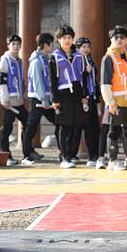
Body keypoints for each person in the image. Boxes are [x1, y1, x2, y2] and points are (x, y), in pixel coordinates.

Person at [50, 25, 87, 169]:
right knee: (64, 127)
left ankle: (72, 154)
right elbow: (53, 80)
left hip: (77, 94)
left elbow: (83, 77)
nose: (67, 40)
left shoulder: (79, 56)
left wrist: (84, 96)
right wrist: (55, 99)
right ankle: (64, 156)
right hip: (63, 95)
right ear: (59, 40)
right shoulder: (55, 57)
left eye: (70, 38)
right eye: (64, 38)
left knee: (76, 126)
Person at [100, 25, 127, 171]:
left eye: (122, 37)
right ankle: (113, 160)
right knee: (114, 131)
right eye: (116, 37)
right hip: (116, 101)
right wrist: (110, 102)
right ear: (111, 40)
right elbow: (105, 83)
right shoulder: (108, 58)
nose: (120, 40)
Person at [22, 33, 57, 165]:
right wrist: (43, 99)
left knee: (58, 121)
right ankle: (26, 155)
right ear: (45, 45)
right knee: (31, 126)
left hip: (45, 98)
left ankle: (31, 151)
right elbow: (37, 83)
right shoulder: (36, 61)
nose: (52, 46)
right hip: (38, 99)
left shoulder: (44, 59)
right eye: (51, 44)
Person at [0, 34, 28, 166]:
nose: (16, 46)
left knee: (28, 123)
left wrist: (24, 94)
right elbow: (1, 80)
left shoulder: (19, 61)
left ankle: (27, 152)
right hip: (9, 102)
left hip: (19, 101)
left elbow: (21, 80)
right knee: (7, 129)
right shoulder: (5, 60)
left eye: (18, 44)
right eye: (13, 44)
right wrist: (4, 98)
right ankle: (6, 155)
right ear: (8, 45)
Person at [76, 37, 101, 168]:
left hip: (92, 97)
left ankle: (97, 154)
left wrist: (98, 100)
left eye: (88, 47)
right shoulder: (76, 61)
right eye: (83, 47)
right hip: (82, 99)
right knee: (86, 128)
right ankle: (90, 155)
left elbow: (95, 82)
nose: (86, 49)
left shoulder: (90, 61)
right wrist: (85, 72)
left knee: (94, 127)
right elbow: (78, 80)